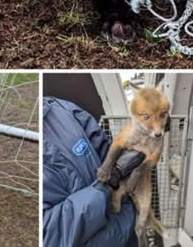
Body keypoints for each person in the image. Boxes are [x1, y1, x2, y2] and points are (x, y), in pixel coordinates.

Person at [43, 96, 144, 247]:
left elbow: (104, 149)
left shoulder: (60, 109)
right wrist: (109, 183)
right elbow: (50, 236)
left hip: (124, 231)